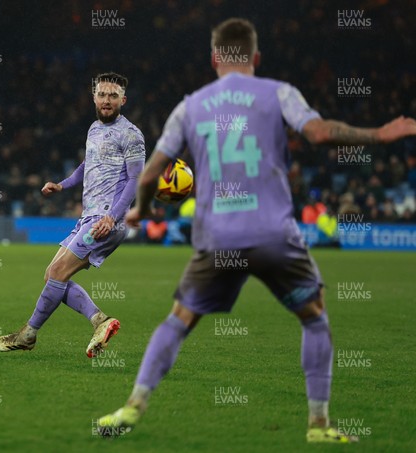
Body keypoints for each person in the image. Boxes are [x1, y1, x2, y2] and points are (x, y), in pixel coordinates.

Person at [98, 18, 416, 442]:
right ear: (256, 58)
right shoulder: (278, 92)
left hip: (217, 238)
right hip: (274, 233)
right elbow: (320, 133)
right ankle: (319, 425)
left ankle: (132, 406)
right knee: (314, 318)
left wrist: (139, 210)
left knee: (178, 320)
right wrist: (379, 133)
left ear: (214, 59)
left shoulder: (190, 106)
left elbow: (152, 171)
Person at [0, 72, 145, 357]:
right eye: (101, 94)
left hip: (105, 220)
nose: (106, 100)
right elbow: (88, 165)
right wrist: (63, 184)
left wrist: (112, 217)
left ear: (123, 99)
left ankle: (28, 334)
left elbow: (135, 180)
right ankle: (100, 321)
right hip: (90, 217)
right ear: (94, 97)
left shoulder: (131, 134)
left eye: (113, 96)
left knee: (58, 273)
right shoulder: (94, 129)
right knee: (52, 275)